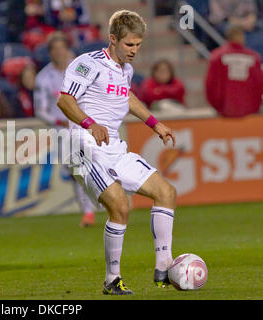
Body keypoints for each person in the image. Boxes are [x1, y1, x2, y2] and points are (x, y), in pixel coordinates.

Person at [57, 10, 177, 295]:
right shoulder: (87, 64)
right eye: (129, 45)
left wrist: (154, 123)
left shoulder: (126, 69)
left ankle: (164, 267)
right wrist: (90, 123)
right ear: (113, 39)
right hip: (83, 145)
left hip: (113, 148)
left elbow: (126, 96)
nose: (134, 51)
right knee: (120, 206)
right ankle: (112, 280)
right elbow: (64, 100)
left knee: (166, 193)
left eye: (138, 45)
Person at [34, 32, 96, 227]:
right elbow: (40, 110)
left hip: (88, 124)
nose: (59, 53)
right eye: (55, 49)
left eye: (62, 48)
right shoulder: (43, 77)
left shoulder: (82, 69)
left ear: (68, 49)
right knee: (78, 170)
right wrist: (57, 120)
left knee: (93, 166)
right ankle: (90, 211)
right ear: (50, 52)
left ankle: (93, 210)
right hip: (63, 130)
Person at [205, 24, 263, 117]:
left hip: (224, 112)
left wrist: (218, 107)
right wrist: (255, 106)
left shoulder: (216, 56)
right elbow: (259, 84)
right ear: (242, 36)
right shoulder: (254, 57)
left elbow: (210, 84)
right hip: (250, 113)